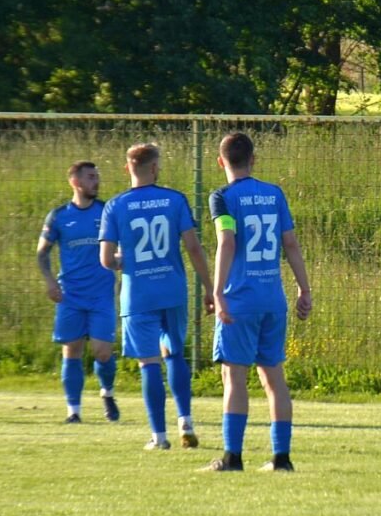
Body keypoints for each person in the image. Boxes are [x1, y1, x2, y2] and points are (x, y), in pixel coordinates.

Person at [200, 132, 312, 472]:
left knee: (233, 376)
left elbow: (227, 242)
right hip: (272, 299)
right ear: (253, 159)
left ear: (220, 162)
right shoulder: (274, 194)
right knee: (274, 378)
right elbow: (290, 244)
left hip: (240, 301)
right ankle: (282, 458)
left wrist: (217, 292)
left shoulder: (222, 197)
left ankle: (232, 457)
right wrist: (304, 289)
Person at [99, 142, 214, 450]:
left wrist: (126, 260)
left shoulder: (115, 206)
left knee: (148, 362)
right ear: (154, 167)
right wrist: (208, 286)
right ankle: (185, 420)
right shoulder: (175, 199)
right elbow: (193, 248)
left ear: (127, 168)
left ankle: (159, 437)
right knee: (174, 354)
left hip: (138, 295)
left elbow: (106, 260)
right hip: (172, 290)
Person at [37, 161, 120, 424]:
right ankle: (73, 411)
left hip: (101, 293)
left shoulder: (106, 211)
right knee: (72, 349)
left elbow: (122, 245)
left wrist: (119, 259)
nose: (96, 181)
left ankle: (107, 393)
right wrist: (50, 282)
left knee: (102, 351)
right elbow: (42, 253)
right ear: (75, 182)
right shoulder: (59, 216)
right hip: (70, 295)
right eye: (91, 177)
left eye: (97, 176)